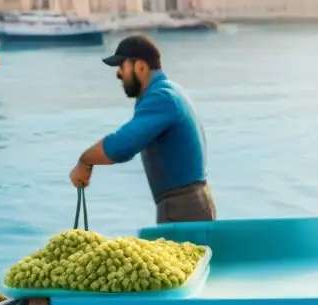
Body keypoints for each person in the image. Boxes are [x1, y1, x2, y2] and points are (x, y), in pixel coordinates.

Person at [69, 35, 215, 224]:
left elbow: (122, 145)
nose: (118, 73)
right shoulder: (169, 91)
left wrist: (84, 161)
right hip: (189, 203)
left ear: (140, 66)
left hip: (183, 208)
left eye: (122, 66)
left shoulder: (162, 98)